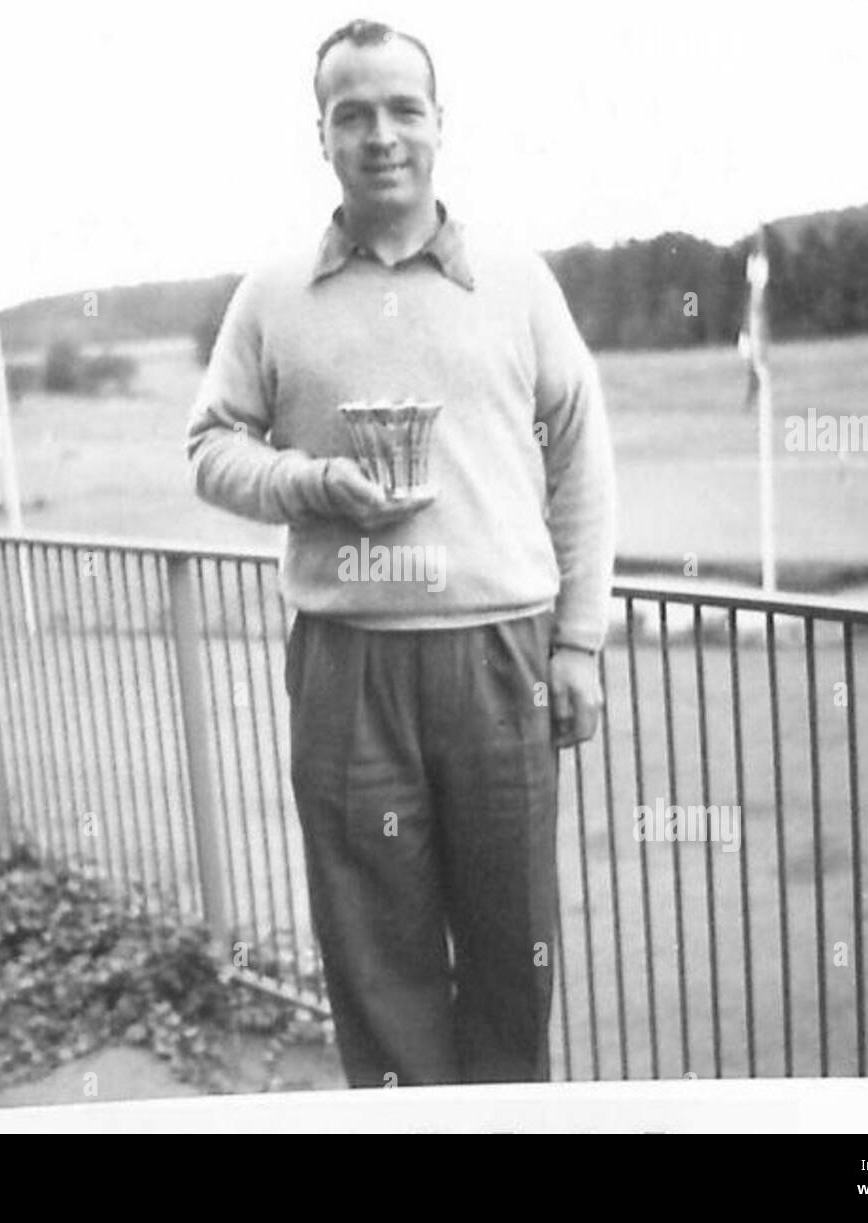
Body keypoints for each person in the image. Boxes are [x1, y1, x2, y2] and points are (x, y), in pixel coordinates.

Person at [186, 19, 614, 1085]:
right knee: (377, 960)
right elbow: (209, 446)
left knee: (514, 948)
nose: (380, 135)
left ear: (438, 123)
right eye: (352, 114)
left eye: (401, 109)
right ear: (320, 134)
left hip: (497, 657)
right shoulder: (272, 293)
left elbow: (581, 455)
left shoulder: (516, 282)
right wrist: (305, 484)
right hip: (347, 665)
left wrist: (578, 642)